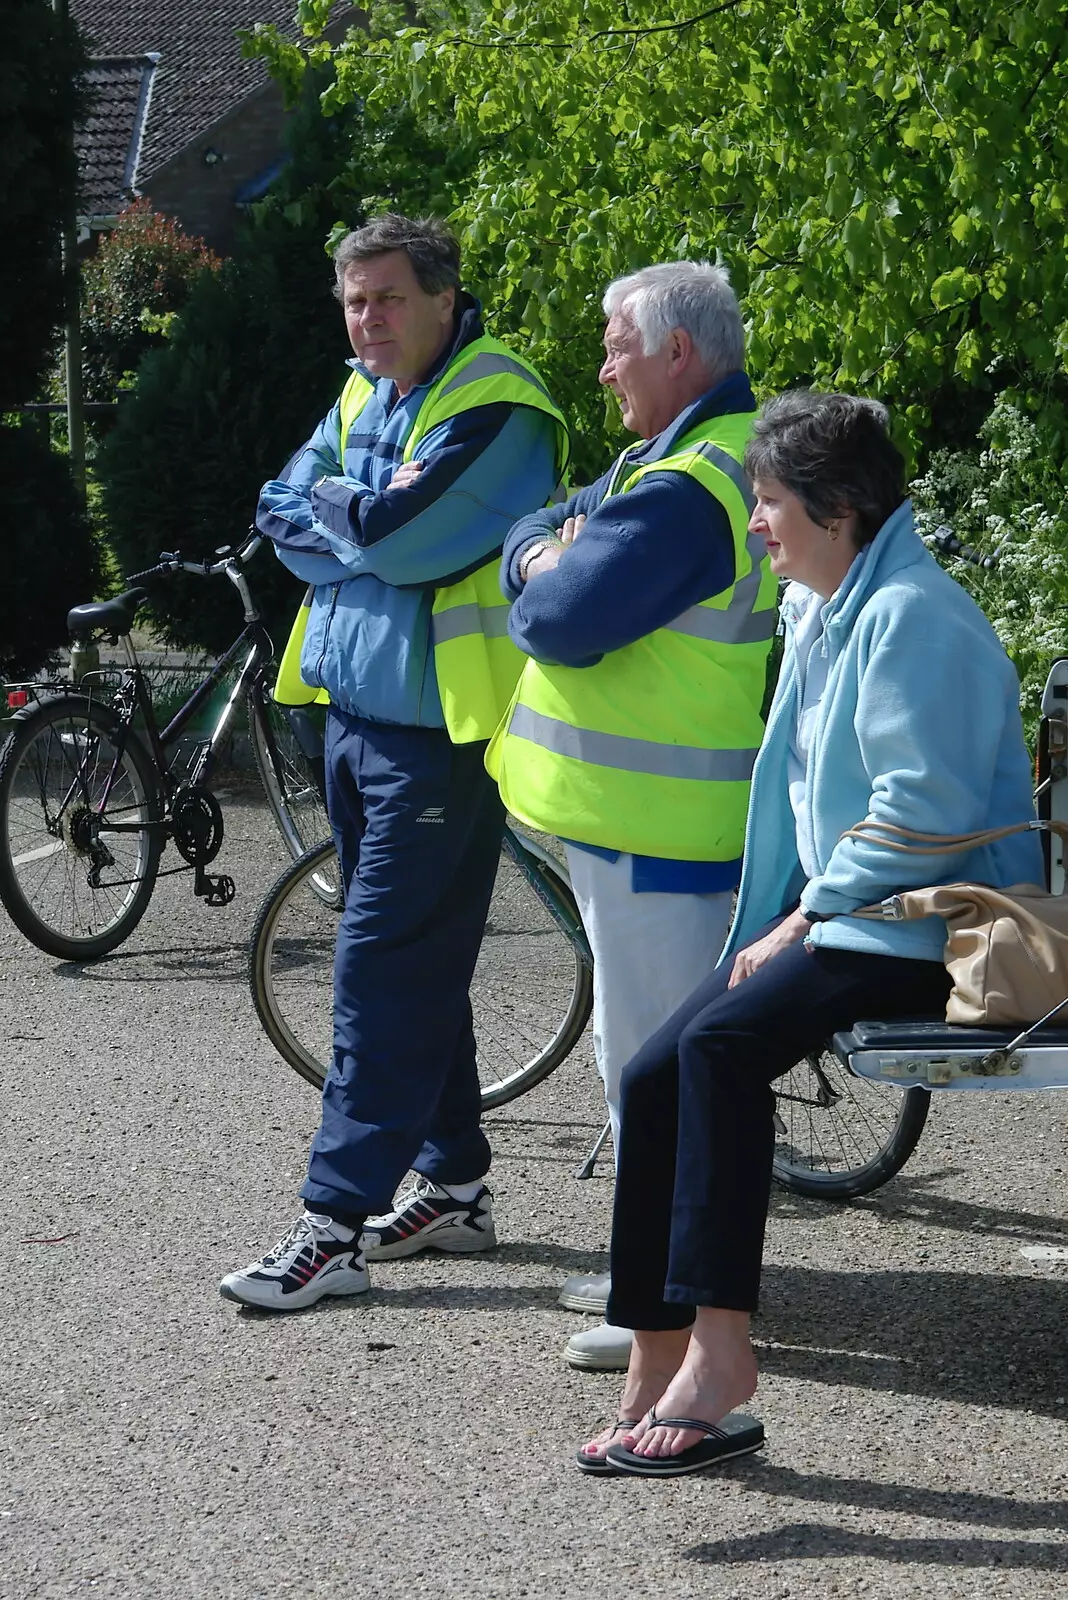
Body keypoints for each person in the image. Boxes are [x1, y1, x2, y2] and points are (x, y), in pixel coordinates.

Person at [577, 389, 1043, 1476]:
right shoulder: (828, 603)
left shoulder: (913, 615)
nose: (755, 523)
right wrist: (799, 915)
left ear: (838, 509)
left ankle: (724, 1364)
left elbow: (925, 816)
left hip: (930, 930)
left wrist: (806, 916)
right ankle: (659, 1354)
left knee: (721, 1048)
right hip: (852, 917)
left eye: (770, 501)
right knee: (654, 1074)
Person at [221, 213, 569, 1310]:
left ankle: (333, 1224)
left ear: (442, 297)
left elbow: (407, 536)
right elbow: (285, 512)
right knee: (418, 965)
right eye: (354, 302)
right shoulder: (366, 387)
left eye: (386, 300)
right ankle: (457, 1184)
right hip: (355, 722)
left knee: (379, 967)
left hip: (443, 740)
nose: (366, 321)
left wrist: (353, 524)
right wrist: (354, 519)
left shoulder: (497, 401)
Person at [486, 262, 776, 1370]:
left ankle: (655, 1305)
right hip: (641, 818)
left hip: (659, 824)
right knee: (647, 1058)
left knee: (650, 1067)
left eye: (615, 344)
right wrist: (549, 547)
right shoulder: (675, 459)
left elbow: (558, 614)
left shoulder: (689, 482)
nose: (602, 366)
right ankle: (650, 1275)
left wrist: (550, 560)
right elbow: (536, 529)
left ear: (676, 354)